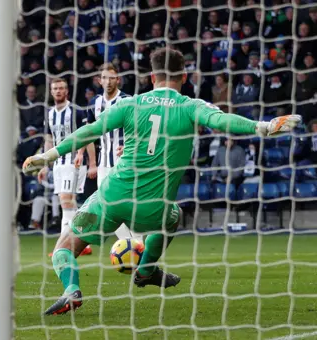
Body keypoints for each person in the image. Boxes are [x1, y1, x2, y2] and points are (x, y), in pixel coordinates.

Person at [22, 47, 301, 315]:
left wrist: (48, 156)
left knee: (63, 248)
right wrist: (261, 127)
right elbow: (221, 119)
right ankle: (145, 271)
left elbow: (89, 131)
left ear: (152, 77)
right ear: (185, 76)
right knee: (173, 216)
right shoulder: (191, 106)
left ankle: (72, 289)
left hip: (113, 198)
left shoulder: (131, 103)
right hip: (154, 209)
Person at [39, 78, 96, 256]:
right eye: (55, 88)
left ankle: (62, 246)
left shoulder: (76, 111)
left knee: (65, 202)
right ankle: (83, 239)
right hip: (58, 164)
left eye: (61, 88)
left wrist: (86, 158)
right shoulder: (49, 113)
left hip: (73, 162)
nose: (58, 91)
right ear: (51, 91)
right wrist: (44, 164)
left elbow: (87, 135)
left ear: (67, 91)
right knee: (69, 204)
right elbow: (49, 140)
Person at [87, 63, 138, 242]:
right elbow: (89, 134)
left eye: (112, 78)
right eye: (105, 78)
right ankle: (133, 245)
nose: (108, 82)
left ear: (118, 79)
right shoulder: (94, 103)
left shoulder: (128, 101)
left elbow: (140, 129)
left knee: (126, 206)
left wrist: (130, 145)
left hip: (125, 162)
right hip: (103, 164)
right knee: (108, 207)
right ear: (99, 81)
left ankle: (136, 244)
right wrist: (92, 163)